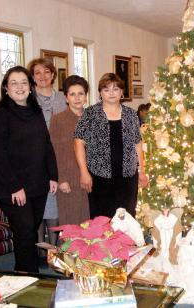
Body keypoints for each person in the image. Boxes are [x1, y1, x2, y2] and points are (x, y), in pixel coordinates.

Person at [0, 66, 58, 272]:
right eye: (14, 83)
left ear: (30, 87)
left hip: (38, 183)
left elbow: (46, 144)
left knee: (29, 230)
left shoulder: (35, 110)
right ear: (6, 88)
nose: (19, 87)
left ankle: (23, 274)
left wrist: (52, 175)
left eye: (23, 82)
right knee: (25, 232)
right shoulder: (0, 113)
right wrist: (14, 186)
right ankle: (29, 278)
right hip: (11, 187)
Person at [74, 73, 148, 218]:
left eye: (116, 89)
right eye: (106, 90)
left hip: (127, 178)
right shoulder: (90, 114)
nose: (111, 93)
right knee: (102, 221)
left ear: (122, 92)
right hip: (100, 178)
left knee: (126, 220)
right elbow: (78, 143)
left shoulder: (131, 114)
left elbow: (137, 144)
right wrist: (83, 172)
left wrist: (142, 171)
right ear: (100, 93)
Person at [28, 58, 66, 246]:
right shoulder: (28, 99)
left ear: (52, 75)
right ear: (33, 77)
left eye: (46, 72)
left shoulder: (61, 98)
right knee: (37, 204)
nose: (42, 76)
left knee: (54, 203)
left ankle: (52, 248)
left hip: (58, 155)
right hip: (35, 157)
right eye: (37, 73)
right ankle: (39, 250)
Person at [49, 75, 90, 225]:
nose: (77, 98)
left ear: (86, 96)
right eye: (72, 94)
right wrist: (61, 179)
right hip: (69, 178)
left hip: (92, 177)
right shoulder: (58, 119)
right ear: (66, 97)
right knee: (72, 224)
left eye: (81, 94)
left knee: (91, 224)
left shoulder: (92, 117)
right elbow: (55, 151)